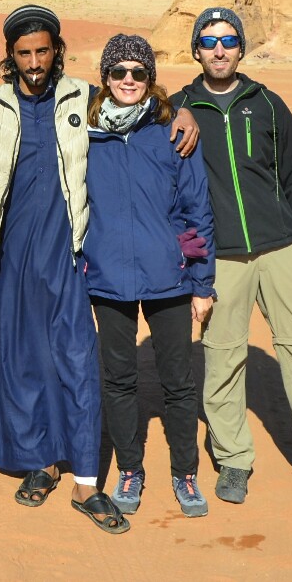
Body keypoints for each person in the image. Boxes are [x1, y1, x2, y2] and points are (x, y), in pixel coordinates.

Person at [0, 4, 198, 536]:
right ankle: (42, 461)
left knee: (75, 360)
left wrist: (186, 109)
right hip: (10, 257)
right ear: (10, 56)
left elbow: (138, 99)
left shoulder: (82, 98)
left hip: (68, 255)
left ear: (57, 51)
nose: (34, 62)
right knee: (25, 360)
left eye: (42, 51)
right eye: (24, 53)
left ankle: (87, 481)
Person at [174, 6, 292, 514]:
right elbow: (170, 194)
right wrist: (190, 263)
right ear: (196, 50)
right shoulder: (178, 108)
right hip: (220, 259)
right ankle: (233, 459)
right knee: (222, 359)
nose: (219, 49)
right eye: (209, 41)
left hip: (281, 249)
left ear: (241, 48)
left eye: (228, 40)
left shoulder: (268, 105)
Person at [82, 33, 216, 519]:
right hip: (107, 278)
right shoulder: (85, 134)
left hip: (169, 278)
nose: (128, 80)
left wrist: (202, 283)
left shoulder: (173, 133)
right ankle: (130, 469)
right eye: (119, 71)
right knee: (119, 379)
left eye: (138, 72)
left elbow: (197, 210)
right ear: (105, 77)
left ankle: (185, 472)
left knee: (178, 380)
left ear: (150, 78)